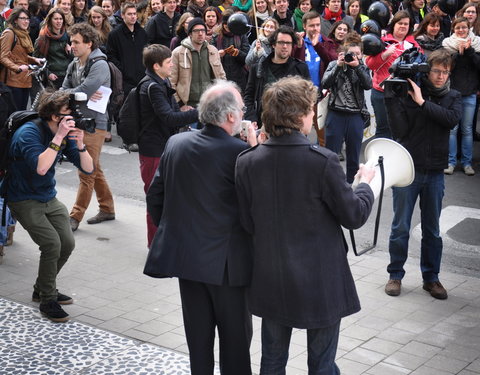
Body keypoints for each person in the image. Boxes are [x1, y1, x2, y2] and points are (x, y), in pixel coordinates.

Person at [235, 75, 375, 373]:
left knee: (272, 361)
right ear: (299, 116)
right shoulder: (322, 161)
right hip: (320, 279)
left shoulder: (247, 161)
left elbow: (247, 222)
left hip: (271, 274)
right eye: (312, 110)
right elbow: (354, 216)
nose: (314, 115)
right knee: (322, 365)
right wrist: (364, 185)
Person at [144, 80, 253, 375]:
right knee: (235, 344)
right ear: (230, 116)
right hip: (227, 266)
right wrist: (255, 148)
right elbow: (254, 209)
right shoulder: (241, 152)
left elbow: (155, 197)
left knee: (198, 342)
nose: (243, 114)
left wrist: (175, 228)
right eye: (241, 109)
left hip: (187, 259)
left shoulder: (176, 143)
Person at [5, 89, 94, 322]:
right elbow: (42, 167)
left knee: (67, 243)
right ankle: (47, 300)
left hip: (47, 196)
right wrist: (58, 138)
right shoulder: (29, 133)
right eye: (70, 112)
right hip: (22, 197)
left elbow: (88, 168)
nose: (75, 116)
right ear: (55, 117)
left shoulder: (65, 133)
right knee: (51, 244)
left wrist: (81, 145)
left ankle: (42, 287)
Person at [384, 49, 462, 299]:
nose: (440, 76)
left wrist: (422, 103)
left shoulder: (453, 97)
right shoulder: (411, 92)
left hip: (435, 171)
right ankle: (395, 274)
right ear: (427, 71)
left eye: (445, 71)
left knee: (432, 229)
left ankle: (432, 278)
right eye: (436, 71)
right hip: (408, 170)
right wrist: (392, 100)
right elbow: (400, 131)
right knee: (400, 227)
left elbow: (450, 120)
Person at [138, 44, 198, 248]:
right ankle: (155, 245)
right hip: (153, 149)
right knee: (155, 197)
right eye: (168, 62)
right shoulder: (153, 86)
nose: (172, 65)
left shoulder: (160, 82)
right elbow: (169, 118)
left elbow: (172, 113)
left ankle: (165, 241)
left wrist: (185, 110)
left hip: (162, 145)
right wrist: (200, 112)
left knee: (167, 196)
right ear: (156, 66)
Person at [62, 23, 115, 231]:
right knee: (94, 169)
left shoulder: (99, 64)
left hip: (95, 124)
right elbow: (65, 90)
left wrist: (77, 94)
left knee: (86, 172)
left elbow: (83, 90)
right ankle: (108, 208)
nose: (72, 45)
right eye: (71, 41)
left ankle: (74, 216)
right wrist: (79, 95)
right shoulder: (75, 63)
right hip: (79, 121)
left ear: (89, 43)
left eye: (76, 42)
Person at [322, 32, 372, 183]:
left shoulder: (362, 68)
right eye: (351, 54)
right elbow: (324, 83)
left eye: (358, 54)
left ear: (362, 55)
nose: (354, 57)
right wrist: (338, 66)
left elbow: (368, 85)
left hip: (355, 116)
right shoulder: (334, 64)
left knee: (353, 157)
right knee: (331, 155)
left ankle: (352, 190)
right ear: (343, 53)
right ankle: (330, 186)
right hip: (336, 114)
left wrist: (357, 67)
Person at [365, 10, 420, 139]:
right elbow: (370, 64)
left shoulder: (413, 44)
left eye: (406, 24)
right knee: (383, 130)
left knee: (401, 130)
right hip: (381, 92)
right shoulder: (382, 41)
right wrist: (385, 54)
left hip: (403, 93)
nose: (403, 26)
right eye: (400, 23)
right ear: (394, 24)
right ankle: (381, 158)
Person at [244, 25, 311, 126]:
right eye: (281, 42)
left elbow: (308, 97)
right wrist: (251, 118)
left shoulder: (301, 68)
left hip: (292, 125)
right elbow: (249, 96)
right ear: (273, 44)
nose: (285, 46)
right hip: (264, 123)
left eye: (288, 43)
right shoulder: (258, 68)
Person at [442, 17, 480, 176]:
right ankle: (450, 162)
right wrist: (458, 52)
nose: (461, 30)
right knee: (452, 129)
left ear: (469, 28)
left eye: (464, 27)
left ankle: (467, 163)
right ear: (453, 29)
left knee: (467, 129)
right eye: (458, 28)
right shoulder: (447, 44)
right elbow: (447, 66)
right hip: (452, 93)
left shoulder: (477, 43)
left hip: (470, 93)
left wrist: (469, 51)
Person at [170, 18, 226, 110]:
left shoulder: (213, 51)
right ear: (190, 33)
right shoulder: (178, 53)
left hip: (210, 105)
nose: (200, 33)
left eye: (202, 30)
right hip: (188, 106)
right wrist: (180, 104)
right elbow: (171, 82)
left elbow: (221, 76)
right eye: (196, 31)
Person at [0, 8, 44, 110]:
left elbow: (20, 55)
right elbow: (2, 56)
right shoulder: (9, 33)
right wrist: (17, 68)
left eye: (28, 19)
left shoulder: (24, 34)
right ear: (15, 20)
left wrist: (34, 60)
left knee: (22, 113)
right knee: (14, 115)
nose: (26, 21)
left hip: (25, 80)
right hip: (12, 81)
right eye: (23, 18)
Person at [34, 8, 73, 90]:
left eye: (60, 19)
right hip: (52, 77)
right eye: (56, 19)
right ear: (50, 20)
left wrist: (70, 50)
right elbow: (37, 60)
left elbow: (76, 57)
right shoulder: (43, 38)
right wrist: (48, 74)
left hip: (67, 75)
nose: (59, 21)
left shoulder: (68, 36)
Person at [214, 9, 250, 91]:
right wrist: (217, 54)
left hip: (239, 78)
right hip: (221, 78)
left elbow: (247, 59)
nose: (227, 26)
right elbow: (210, 57)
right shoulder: (216, 37)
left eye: (229, 24)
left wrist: (238, 53)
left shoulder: (242, 36)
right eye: (225, 24)